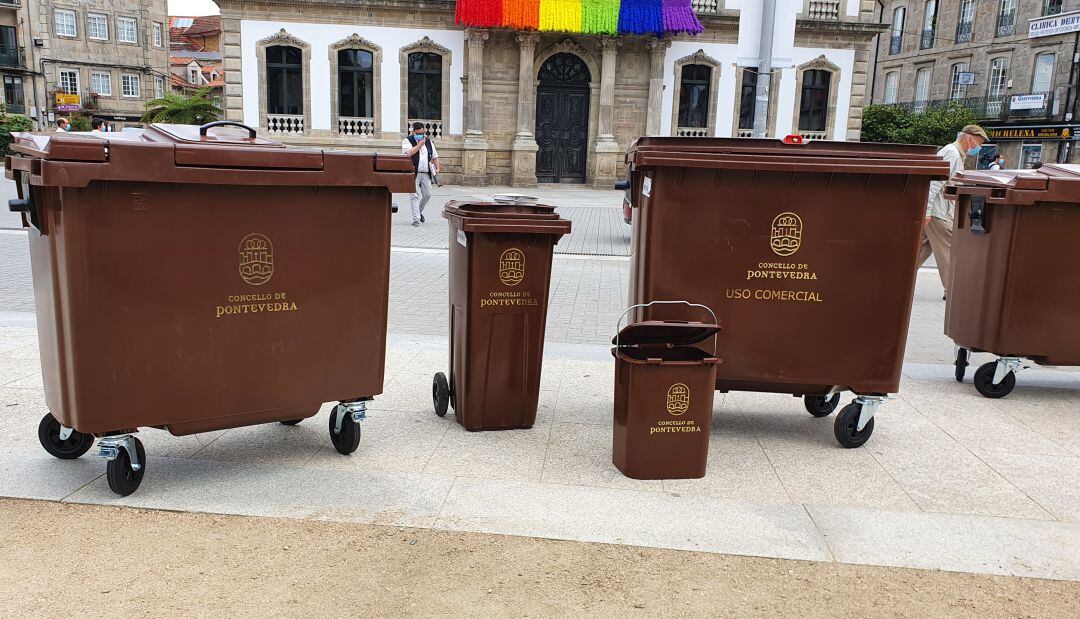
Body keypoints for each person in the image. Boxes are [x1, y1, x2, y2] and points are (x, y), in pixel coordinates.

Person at [918, 124, 988, 300]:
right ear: (969, 138)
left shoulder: (954, 152)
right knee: (951, 247)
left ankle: (899, 277)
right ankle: (953, 290)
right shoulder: (952, 153)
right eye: (978, 143)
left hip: (937, 210)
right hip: (937, 212)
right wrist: (926, 211)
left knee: (924, 249)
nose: (977, 148)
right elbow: (935, 183)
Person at [402, 122, 440, 227]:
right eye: (418, 133)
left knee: (428, 195)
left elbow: (435, 156)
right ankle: (416, 219)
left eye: (422, 133)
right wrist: (419, 145)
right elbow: (408, 153)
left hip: (426, 173)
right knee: (414, 195)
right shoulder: (407, 140)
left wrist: (438, 168)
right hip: (413, 173)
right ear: (413, 132)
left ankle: (418, 211)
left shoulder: (428, 141)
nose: (421, 135)